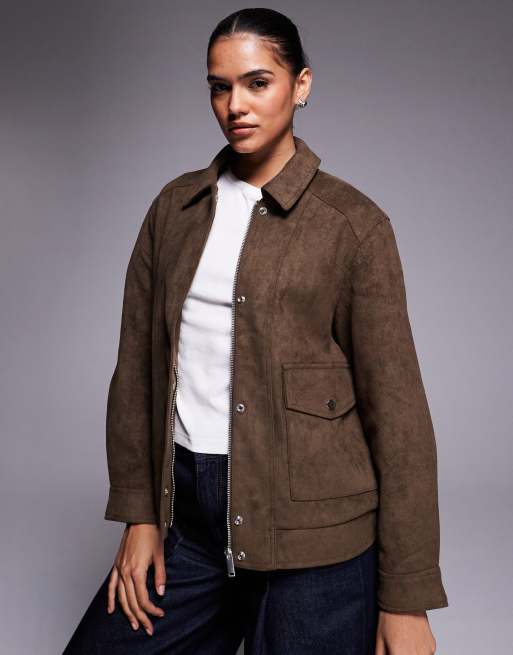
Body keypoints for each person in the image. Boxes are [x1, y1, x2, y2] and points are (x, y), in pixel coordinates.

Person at [63, 7, 449, 655]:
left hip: (317, 546)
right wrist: (140, 516)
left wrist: (405, 597)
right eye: (220, 87)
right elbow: (137, 373)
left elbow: (400, 416)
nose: (235, 105)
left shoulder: (352, 226)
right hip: (190, 525)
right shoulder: (174, 211)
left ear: (301, 85)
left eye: (257, 82)